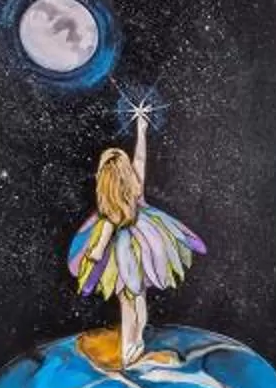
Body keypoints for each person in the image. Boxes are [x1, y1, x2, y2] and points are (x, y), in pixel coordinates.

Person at [65, 99, 205, 372]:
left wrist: (89, 270)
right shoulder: (135, 192)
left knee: (130, 304)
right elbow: (140, 159)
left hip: (127, 257)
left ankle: (133, 350)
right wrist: (141, 131)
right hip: (140, 248)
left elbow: (97, 250)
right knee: (137, 301)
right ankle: (135, 347)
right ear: (126, 176)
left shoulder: (109, 217)